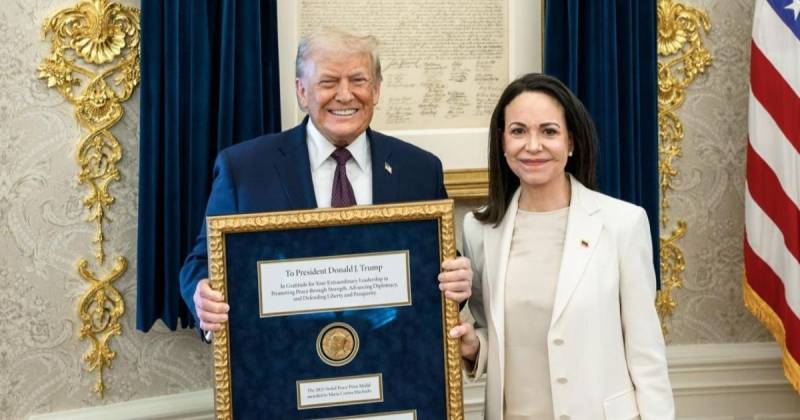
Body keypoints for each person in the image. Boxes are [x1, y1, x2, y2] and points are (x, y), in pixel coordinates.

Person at [180, 29, 472, 337]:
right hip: (282, 361)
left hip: (392, 360)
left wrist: (459, 282)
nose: (345, 95)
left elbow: (440, 268)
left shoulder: (419, 169)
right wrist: (202, 294)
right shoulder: (244, 169)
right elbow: (201, 263)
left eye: (358, 81)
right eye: (328, 82)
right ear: (302, 92)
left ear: (376, 90)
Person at [450, 73, 674, 419]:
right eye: (519, 131)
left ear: (570, 143)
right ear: (502, 142)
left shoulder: (622, 224)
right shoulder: (479, 230)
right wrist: (473, 346)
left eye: (549, 131)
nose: (533, 145)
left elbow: (646, 354)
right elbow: (499, 333)